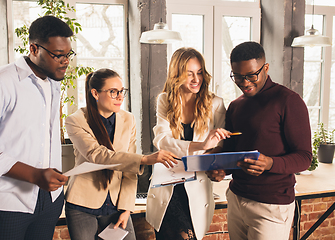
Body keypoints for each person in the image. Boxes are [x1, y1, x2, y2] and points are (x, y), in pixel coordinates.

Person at [0, 15, 74, 240]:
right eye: (58, 55)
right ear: (34, 48)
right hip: (6, 203)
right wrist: (34, 174)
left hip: (48, 202)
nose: (66, 61)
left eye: (68, 54)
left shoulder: (53, 84)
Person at [206, 41, 312, 240]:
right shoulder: (235, 106)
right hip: (236, 198)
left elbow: (305, 157)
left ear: (266, 68)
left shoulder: (288, 101)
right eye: (237, 76)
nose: (245, 82)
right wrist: (221, 168)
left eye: (251, 75)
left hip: (271, 205)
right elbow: (233, 153)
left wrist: (270, 163)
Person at [64, 68, 178, 240]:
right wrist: (145, 159)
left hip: (116, 205)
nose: (119, 97)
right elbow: (98, 155)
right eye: (113, 92)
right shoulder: (76, 120)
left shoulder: (128, 119)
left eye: (121, 91)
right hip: (82, 204)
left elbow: (129, 170)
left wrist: (126, 209)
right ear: (95, 93)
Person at [146, 47, 230, 240]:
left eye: (199, 72)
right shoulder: (164, 100)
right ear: (176, 75)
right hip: (168, 186)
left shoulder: (215, 103)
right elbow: (162, 141)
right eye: (189, 73)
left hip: (196, 186)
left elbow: (220, 148)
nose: (196, 79)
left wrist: (214, 159)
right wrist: (201, 146)